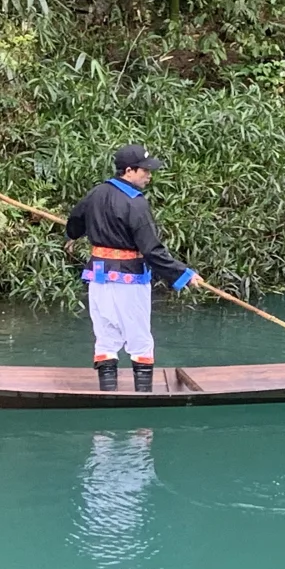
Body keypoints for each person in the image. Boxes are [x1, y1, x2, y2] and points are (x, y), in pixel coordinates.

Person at [64, 144, 202, 391]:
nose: (149, 175)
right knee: (139, 337)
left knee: (105, 336)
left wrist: (75, 235)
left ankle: (108, 394)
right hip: (129, 278)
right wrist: (183, 274)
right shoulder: (136, 204)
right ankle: (143, 396)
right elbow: (152, 250)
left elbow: (74, 223)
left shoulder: (95, 193)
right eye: (145, 170)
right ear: (129, 171)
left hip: (98, 277)